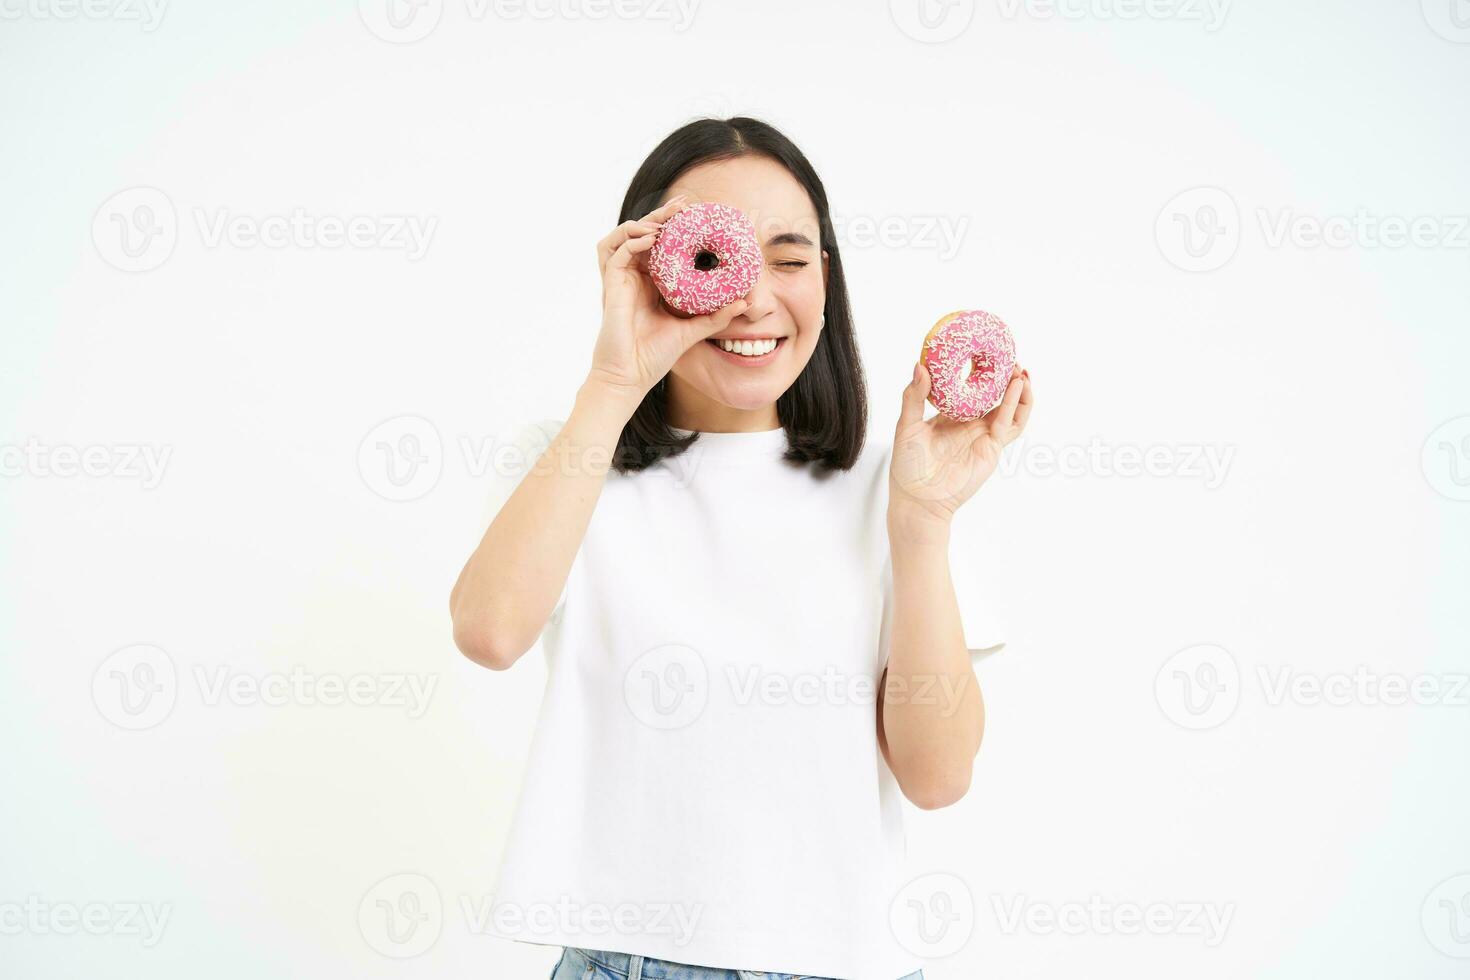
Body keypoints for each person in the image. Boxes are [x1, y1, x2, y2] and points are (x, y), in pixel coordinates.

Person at [449, 116, 1033, 980]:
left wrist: (921, 527)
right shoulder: (575, 460)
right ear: (645, 272)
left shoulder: (893, 488)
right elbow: (489, 633)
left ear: (825, 282)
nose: (754, 300)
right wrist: (615, 379)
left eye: (790, 260)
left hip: (852, 962)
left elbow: (938, 776)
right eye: (719, 262)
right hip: (629, 961)